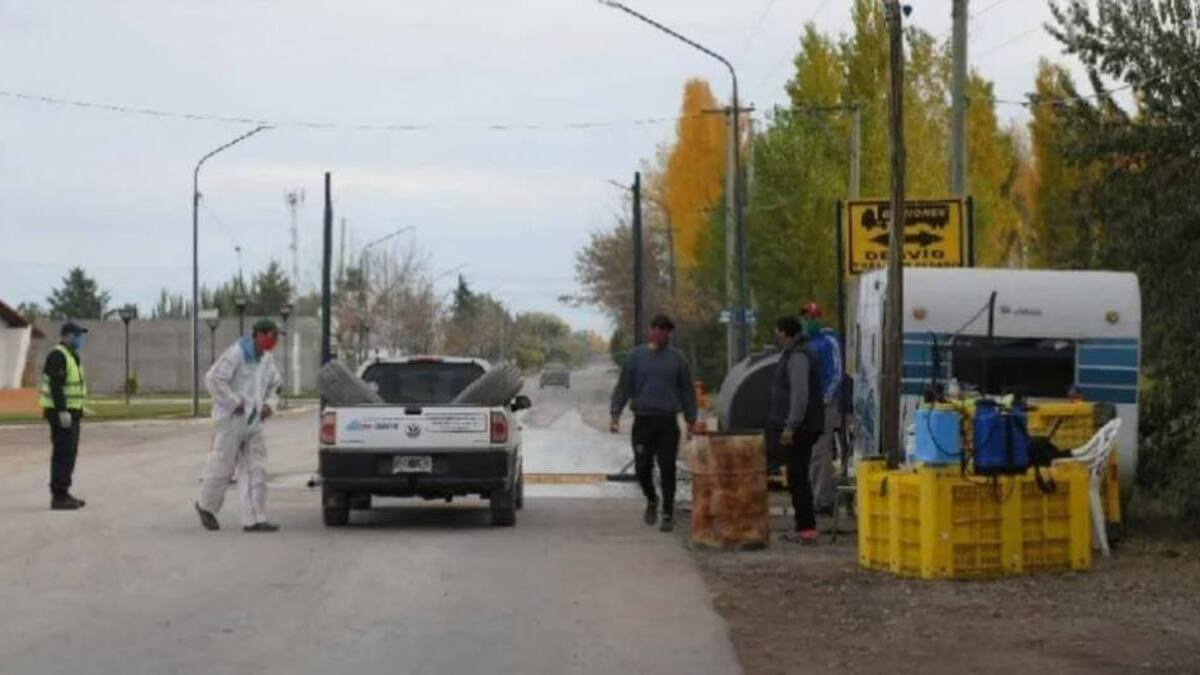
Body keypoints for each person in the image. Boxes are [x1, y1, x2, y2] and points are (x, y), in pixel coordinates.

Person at [610, 314, 700, 533]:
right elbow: (623, 387)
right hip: (643, 421)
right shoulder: (636, 357)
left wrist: (691, 420)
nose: (663, 334)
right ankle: (652, 498)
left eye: (667, 331)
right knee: (642, 468)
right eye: (659, 329)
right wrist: (615, 414)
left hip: (668, 422)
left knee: (668, 466)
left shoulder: (677, 359)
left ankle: (668, 513)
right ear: (651, 331)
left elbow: (688, 391)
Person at [195, 319, 284, 532]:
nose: (275, 341)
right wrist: (234, 402)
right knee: (222, 465)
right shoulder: (236, 353)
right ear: (259, 335)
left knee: (256, 468)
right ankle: (206, 506)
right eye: (273, 336)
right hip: (230, 420)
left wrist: (270, 405)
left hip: (254, 421)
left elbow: (276, 385)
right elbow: (213, 379)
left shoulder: (266, 359)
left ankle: (254, 518)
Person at [769, 315, 824, 543]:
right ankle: (804, 526)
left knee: (797, 476)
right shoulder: (797, 352)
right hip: (804, 424)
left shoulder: (798, 355)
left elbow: (799, 394)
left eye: (777, 332)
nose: (776, 336)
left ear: (784, 332)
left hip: (802, 426)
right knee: (797, 475)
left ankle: (806, 527)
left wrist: (791, 425)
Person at [39, 321, 89, 510]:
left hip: (72, 412)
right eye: (77, 335)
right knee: (63, 454)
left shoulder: (70, 355)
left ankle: (64, 492)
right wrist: (62, 410)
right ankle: (58, 496)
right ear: (66, 336)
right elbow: (56, 386)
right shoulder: (58, 355)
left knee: (69, 454)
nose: (80, 339)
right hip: (61, 414)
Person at [800, 301, 842, 516]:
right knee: (808, 453)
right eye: (806, 317)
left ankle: (823, 498)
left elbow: (836, 373)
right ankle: (815, 495)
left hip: (824, 404)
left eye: (813, 317)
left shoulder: (828, 341)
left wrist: (825, 398)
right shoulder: (804, 343)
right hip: (806, 405)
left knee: (820, 451)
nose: (810, 321)